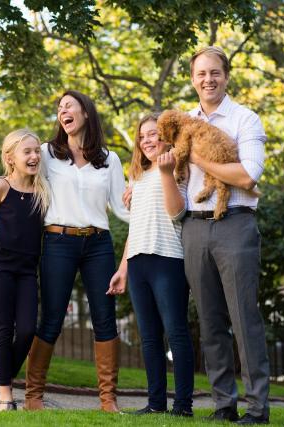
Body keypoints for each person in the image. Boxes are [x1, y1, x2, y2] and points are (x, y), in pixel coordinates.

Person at [167, 45, 269, 424]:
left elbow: (247, 175)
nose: (208, 79)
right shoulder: (182, 122)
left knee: (244, 319)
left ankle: (257, 409)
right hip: (194, 227)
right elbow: (177, 185)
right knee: (210, 323)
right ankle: (224, 404)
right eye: (201, 74)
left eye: (215, 73)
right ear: (193, 80)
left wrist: (198, 159)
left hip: (236, 224)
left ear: (226, 76)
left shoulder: (245, 119)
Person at [24, 90, 129, 412]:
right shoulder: (46, 154)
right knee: (52, 317)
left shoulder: (109, 159)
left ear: (86, 112)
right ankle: (33, 396)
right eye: (59, 108)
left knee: (105, 319)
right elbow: (22, 183)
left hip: (98, 244)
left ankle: (108, 399)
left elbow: (124, 210)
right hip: (58, 241)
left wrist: (155, 202)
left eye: (69, 105)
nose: (62, 110)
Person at [108, 112, 195, 417]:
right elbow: (136, 227)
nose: (147, 140)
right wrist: (122, 269)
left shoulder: (178, 169)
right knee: (148, 336)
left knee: (176, 332)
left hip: (168, 260)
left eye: (153, 134)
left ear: (167, 137)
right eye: (142, 136)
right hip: (138, 262)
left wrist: (166, 173)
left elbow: (176, 214)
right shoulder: (137, 176)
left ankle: (183, 406)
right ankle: (156, 403)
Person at [0, 129, 50, 411]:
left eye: (37, 151)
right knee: (3, 327)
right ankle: (6, 395)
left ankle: (2, 377)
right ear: (10, 158)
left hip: (26, 269)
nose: (34, 156)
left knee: (26, 329)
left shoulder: (43, 190)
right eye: (28, 152)